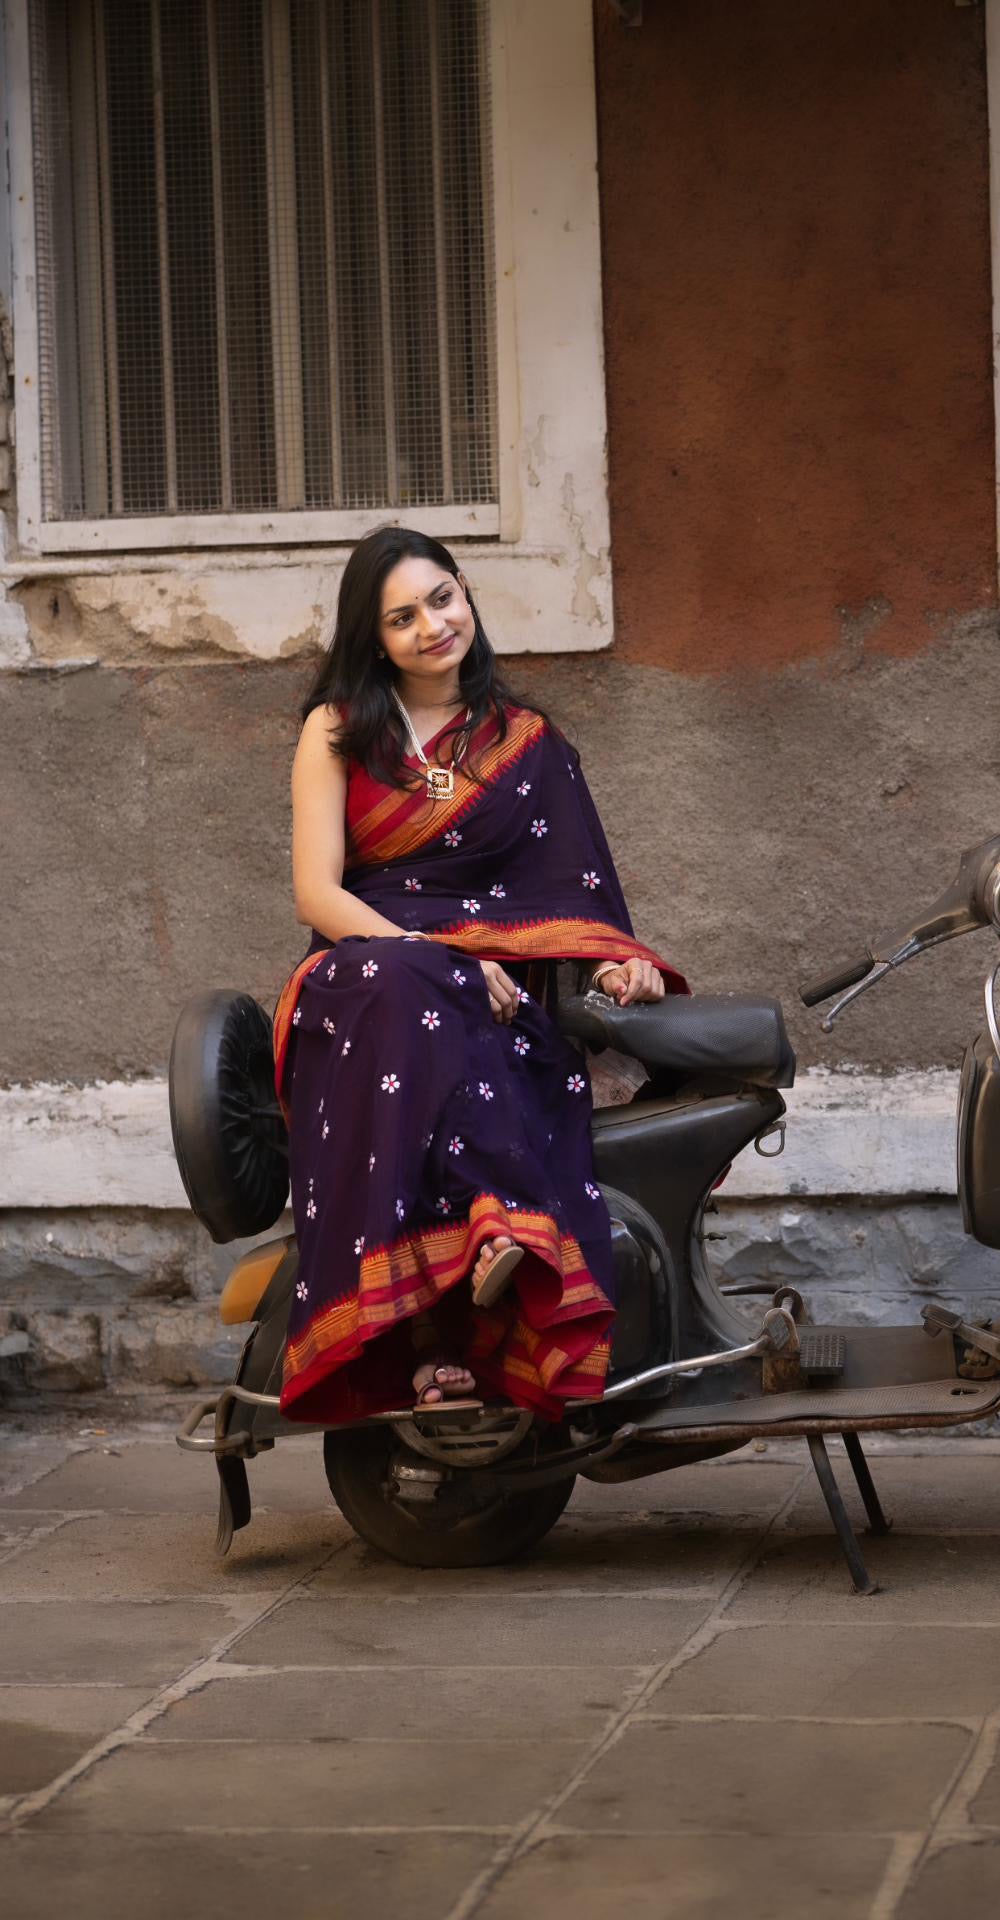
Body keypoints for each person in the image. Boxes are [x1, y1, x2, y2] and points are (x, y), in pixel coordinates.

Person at [274, 527, 683, 1424]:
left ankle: (457, 1326)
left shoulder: (528, 744)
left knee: (462, 1013)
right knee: (407, 990)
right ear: (372, 636)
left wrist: (617, 961)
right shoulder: (337, 728)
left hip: (490, 1000)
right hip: (361, 981)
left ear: (467, 596)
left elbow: (573, 889)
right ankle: (491, 1228)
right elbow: (317, 889)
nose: (431, 626)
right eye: (402, 617)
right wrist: (435, 956)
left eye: (441, 599)